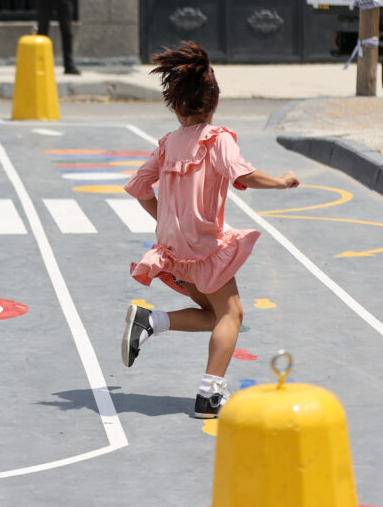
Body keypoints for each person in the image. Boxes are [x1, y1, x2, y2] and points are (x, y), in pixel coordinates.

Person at [120, 42, 299, 419]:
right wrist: (282, 182)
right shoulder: (217, 140)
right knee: (231, 314)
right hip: (203, 248)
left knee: (214, 313)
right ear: (213, 103)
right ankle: (209, 394)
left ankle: (151, 321)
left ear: (175, 105)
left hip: (172, 250)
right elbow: (243, 175)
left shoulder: (167, 144)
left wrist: (165, 218)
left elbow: (138, 187)